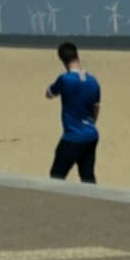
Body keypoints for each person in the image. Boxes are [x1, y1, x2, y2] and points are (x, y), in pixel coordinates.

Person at [45, 42, 101, 183]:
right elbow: (96, 109)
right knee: (87, 177)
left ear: (62, 60)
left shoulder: (65, 80)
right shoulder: (93, 81)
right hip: (91, 135)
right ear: (77, 55)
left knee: (56, 175)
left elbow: (49, 93)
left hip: (72, 138)